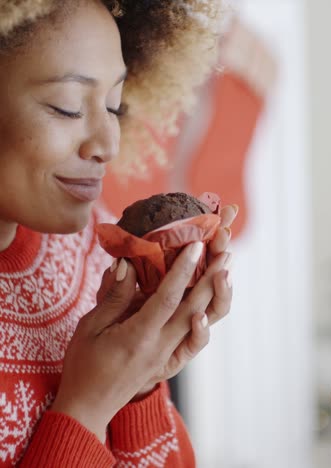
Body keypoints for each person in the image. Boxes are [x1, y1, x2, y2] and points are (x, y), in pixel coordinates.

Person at [0, 0, 235, 466]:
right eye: (67, 108)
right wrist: (87, 408)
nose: (108, 144)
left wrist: (139, 382)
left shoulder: (92, 246)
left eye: (114, 106)